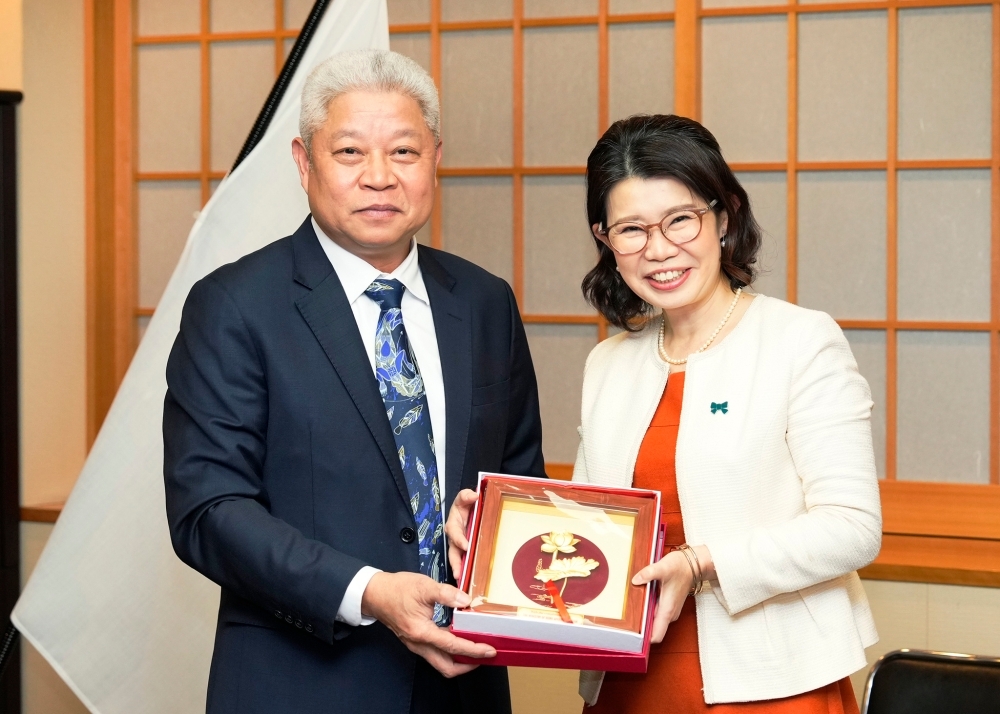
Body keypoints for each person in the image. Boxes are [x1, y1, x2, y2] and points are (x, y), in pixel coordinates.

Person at [448, 113, 881, 713]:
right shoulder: (609, 363)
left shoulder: (799, 341)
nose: (658, 250)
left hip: (772, 682)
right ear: (606, 240)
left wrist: (699, 564)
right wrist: (495, 532)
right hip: (628, 678)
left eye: (680, 220)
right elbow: (593, 526)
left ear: (724, 216)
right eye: (631, 229)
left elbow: (853, 529)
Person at [163, 49, 545, 714]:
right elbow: (209, 510)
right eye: (348, 152)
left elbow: (520, 484)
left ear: (434, 160)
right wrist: (368, 591)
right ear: (303, 162)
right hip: (301, 685)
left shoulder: (485, 302)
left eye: (403, 152)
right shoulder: (234, 305)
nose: (379, 177)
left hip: (464, 686)